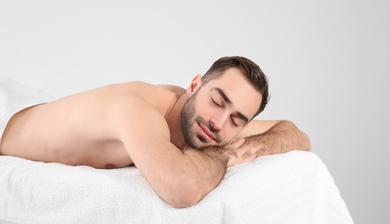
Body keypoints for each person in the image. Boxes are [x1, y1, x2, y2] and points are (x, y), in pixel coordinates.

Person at [0, 56, 310, 208]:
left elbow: (295, 135)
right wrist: (225, 152)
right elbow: (182, 188)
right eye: (218, 101)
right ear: (194, 84)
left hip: (39, 103)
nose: (219, 123)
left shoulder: (209, 121)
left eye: (237, 120)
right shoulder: (137, 110)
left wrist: (251, 146)